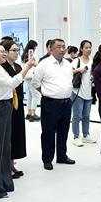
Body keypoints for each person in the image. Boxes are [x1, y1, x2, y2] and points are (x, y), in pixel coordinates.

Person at [0, 42, 35, 198]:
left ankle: (4, 182)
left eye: (5, 51)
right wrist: (28, 66)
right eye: (1, 51)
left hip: (4, 108)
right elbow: (12, 83)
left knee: (4, 150)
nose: (5, 53)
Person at [30, 39, 75, 170]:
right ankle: (47, 159)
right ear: (51, 49)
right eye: (58, 47)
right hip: (50, 103)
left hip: (66, 103)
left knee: (63, 131)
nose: (62, 49)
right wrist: (46, 93)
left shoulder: (68, 64)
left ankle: (62, 156)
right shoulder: (44, 64)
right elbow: (35, 83)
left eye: (63, 47)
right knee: (48, 132)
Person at [0, 38, 28, 177]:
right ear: (5, 51)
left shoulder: (17, 67)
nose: (17, 53)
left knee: (16, 134)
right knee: (7, 135)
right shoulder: (1, 67)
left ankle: (11, 162)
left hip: (18, 104)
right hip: (6, 104)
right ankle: (6, 165)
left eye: (18, 50)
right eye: (14, 50)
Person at [70, 40, 95, 147]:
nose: (88, 49)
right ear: (81, 49)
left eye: (90, 47)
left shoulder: (92, 60)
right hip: (78, 92)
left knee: (86, 116)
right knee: (77, 116)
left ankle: (86, 135)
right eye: (86, 47)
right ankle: (76, 137)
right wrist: (78, 70)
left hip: (89, 92)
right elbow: (69, 72)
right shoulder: (77, 60)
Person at [22, 40, 41, 122]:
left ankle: (29, 113)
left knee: (30, 95)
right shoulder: (32, 53)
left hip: (26, 76)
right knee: (36, 95)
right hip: (32, 76)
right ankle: (33, 114)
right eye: (35, 46)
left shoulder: (24, 54)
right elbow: (34, 63)